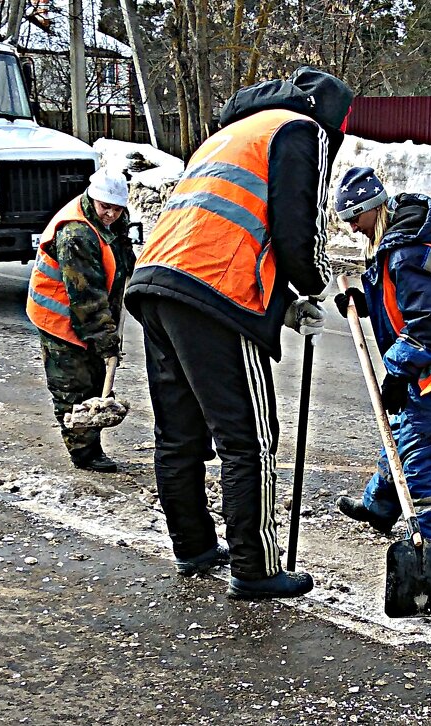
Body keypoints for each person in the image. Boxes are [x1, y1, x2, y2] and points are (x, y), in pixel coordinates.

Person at [124, 67, 353, 599]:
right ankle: (255, 568)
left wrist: (283, 308)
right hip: (215, 295)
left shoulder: (231, 135)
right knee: (250, 440)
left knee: (180, 435)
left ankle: (194, 546)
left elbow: (232, 226)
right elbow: (299, 231)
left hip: (157, 284)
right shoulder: (303, 131)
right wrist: (313, 285)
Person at [331, 167, 431, 562]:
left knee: (417, 457)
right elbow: (403, 304)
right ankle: (380, 506)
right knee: (399, 431)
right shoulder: (400, 238)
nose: (352, 228)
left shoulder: (410, 252)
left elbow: (427, 327)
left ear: (372, 209)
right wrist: (366, 304)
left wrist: (398, 372)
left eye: (354, 218)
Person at [27, 169, 136, 473]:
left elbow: (119, 259)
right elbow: (86, 298)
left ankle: (89, 443)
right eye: (106, 208)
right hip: (59, 318)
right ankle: (84, 454)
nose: (112, 214)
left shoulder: (110, 221)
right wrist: (106, 342)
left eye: (117, 209)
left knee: (94, 379)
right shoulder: (76, 235)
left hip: (87, 314)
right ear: (93, 198)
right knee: (72, 387)